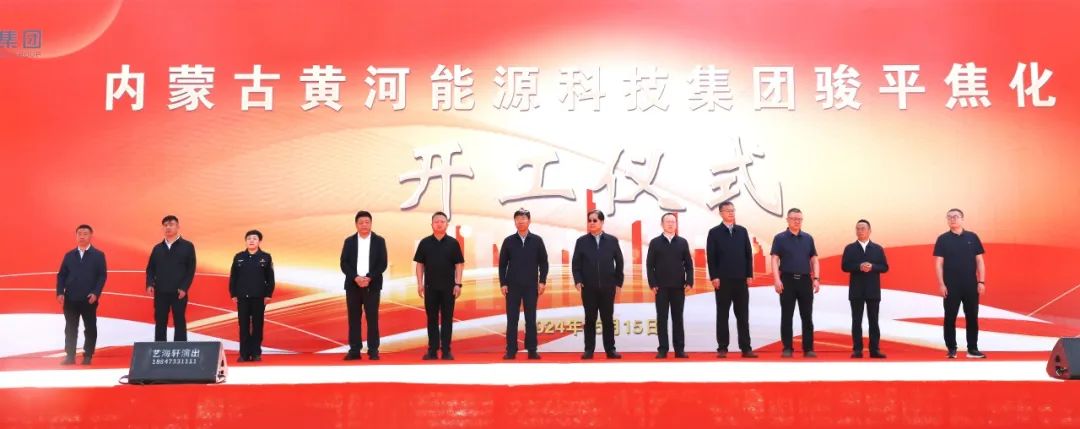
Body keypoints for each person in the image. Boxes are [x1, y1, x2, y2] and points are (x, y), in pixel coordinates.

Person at [706, 201, 758, 358]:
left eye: (733, 210)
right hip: (722, 280)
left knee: (743, 315)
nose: (731, 213)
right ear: (721, 213)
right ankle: (722, 347)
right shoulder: (714, 232)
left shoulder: (742, 231)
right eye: (727, 210)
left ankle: (746, 348)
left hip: (741, 279)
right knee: (722, 315)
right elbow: (711, 257)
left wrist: (749, 275)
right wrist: (714, 276)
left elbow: (748, 255)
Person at [934, 208, 987, 359]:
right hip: (951, 285)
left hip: (970, 284)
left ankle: (972, 349)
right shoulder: (943, 239)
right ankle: (952, 349)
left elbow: (980, 261)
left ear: (962, 219)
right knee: (950, 317)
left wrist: (981, 281)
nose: (952, 219)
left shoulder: (972, 237)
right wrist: (941, 284)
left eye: (956, 216)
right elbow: (938, 263)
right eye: (949, 217)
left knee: (972, 317)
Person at [572, 210, 624, 360]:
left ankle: (610, 350)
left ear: (602, 222)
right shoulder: (581, 241)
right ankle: (589, 350)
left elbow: (619, 262)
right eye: (589, 220)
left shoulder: (612, 241)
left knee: (607, 319)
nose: (592, 223)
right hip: (588, 287)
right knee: (590, 319)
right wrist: (578, 280)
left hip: (608, 287)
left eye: (595, 220)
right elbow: (576, 264)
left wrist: (618, 282)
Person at [498, 208, 549, 360]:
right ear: (514, 222)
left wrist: (542, 281)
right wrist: (503, 283)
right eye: (518, 219)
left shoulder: (537, 240)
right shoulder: (508, 241)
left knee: (530, 319)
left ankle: (532, 350)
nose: (521, 221)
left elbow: (543, 263)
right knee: (512, 319)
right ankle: (511, 350)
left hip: (531, 286)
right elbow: (502, 265)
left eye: (524, 218)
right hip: (512, 286)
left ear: (529, 221)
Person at [414, 211, 465, 360]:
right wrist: (420, 283)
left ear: (447, 224)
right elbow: (419, 265)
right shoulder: (425, 243)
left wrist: (458, 283)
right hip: (430, 287)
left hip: (449, 288)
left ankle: (446, 351)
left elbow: (459, 265)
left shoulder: (453, 243)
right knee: (432, 319)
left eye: (442, 221)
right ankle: (432, 350)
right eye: (436, 221)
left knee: (447, 319)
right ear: (432, 224)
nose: (439, 224)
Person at [770, 208, 820, 358]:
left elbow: (814, 260)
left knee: (807, 316)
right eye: (794, 219)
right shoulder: (780, 238)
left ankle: (808, 348)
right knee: (787, 315)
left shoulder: (808, 238)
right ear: (787, 220)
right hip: (787, 280)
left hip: (805, 280)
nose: (797, 221)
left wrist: (816, 279)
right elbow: (774, 259)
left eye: (799, 219)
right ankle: (787, 348)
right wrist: (776, 279)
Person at [340, 211, 388, 361]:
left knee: (372, 319)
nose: (364, 225)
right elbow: (344, 263)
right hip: (353, 285)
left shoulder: (379, 241)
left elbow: (383, 263)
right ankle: (355, 350)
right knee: (354, 319)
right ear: (356, 225)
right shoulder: (349, 241)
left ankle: (373, 350)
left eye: (367, 222)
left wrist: (369, 277)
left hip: (372, 285)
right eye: (361, 223)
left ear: (371, 223)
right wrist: (355, 277)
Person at [56, 224, 107, 365]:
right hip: (70, 298)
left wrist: (96, 293)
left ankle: (88, 355)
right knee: (70, 328)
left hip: (89, 298)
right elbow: (61, 275)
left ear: (91, 236)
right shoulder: (69, 255)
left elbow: (102, 276)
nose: (82, 236)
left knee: (90, 327)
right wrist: (60, 292)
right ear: (76, 236)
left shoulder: (98, 255)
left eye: (85, 233)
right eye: (79, 233)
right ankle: (70, 355)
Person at [646, 213, 693, 359]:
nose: (671, 224)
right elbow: (649, 265)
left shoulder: (682, 242)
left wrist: (689, 281)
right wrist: (653, 283)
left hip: (678, 287)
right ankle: (663, 349)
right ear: (662, 224)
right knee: (662, 318)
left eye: (673, 221)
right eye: (668, 221)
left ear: (676, 224)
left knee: (677, 318)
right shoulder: (655, 243)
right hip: (661, 287)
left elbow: (689, 265)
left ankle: (679, 349)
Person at [841, 219, 889, 359]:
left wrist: (873, 267)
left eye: (863, 228)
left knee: (873, 320)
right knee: (856, 321)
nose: (860, 231)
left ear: (869, 231)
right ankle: (857, 349)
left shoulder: (877, 249)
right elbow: (844, 266)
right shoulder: (850, 248)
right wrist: (859, 267)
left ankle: (874, 350)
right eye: (858, 228)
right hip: (856, 290)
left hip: (873, 290)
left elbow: (885, 267)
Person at [146, 215, 196, 341]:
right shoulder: (157, 248)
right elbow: (150, 268)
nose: (168, 227)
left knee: (179, 320)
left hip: (179, 292)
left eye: (171, 224)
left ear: (178, 227)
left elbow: (190, 270)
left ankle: (180, 349)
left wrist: (184, 288)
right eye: (165, 225)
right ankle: (159, 349)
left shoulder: (187, 246)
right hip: (160, 292)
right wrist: (150, 284)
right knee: (160, 321)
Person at [229, 230, 275, 362]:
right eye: (249, 238)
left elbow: (270, 278)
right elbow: (233, 276)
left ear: (259, 241)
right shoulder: (239, 257)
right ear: (246, 241)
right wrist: (233, 293)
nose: (251, 240)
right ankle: (244, 353)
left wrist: (268, 294)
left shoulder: (265, 257)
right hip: (242, 296)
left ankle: (256, 353)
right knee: (243, 325)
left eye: (254, 238)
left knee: (257, 325)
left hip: (259, 296)